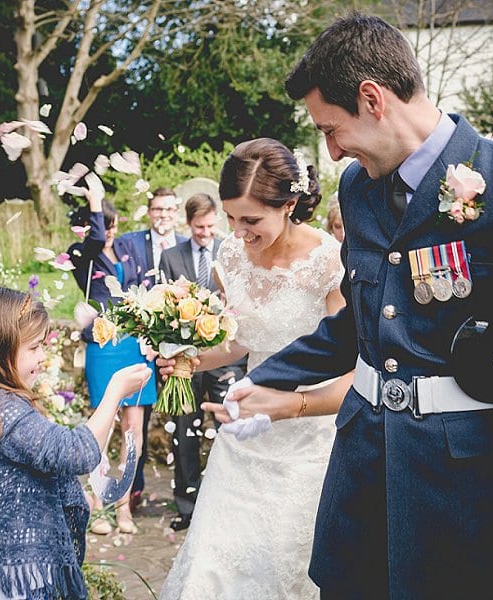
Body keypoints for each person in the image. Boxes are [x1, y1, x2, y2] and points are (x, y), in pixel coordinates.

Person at [228, 14, 493, 599]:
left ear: (372, 99)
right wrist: (263, 379)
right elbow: (361, 321)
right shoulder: (358, 188)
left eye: (331, 130)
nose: (330, 153)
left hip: (464, 499)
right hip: (362, 487)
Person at [159, 138, 353, 600]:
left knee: (286, 569)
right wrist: (188, 360)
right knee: (215, 566)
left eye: (250, 220)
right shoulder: (229, 256)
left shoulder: (329, 260)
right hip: (244, 436)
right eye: (230, 217)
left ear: (289, 204)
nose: (238, 232)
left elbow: (351, 369)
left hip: (310, 441)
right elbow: (243, 340)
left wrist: (289, 407)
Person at [0, 284, 152, 600]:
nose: (43, 358)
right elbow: (76, 452)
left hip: (3, 575)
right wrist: (115, 392)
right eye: (34, 349)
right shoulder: (2, 410)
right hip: (8, 581)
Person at [68, 190, 157, 534]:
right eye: (103, 226)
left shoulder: (128, 249)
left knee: (133, 430)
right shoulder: (80, 254)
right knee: (103, 430)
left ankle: (123, 508)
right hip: (103, 345)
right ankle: (99, 505)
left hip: (134, 344)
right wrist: (95, 201)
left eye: (113, 224)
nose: (110, 233)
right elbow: (94, 240)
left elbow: (142, 291)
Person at [156, 193, 246, 531]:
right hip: (183, 361)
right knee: (184, 432)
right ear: (188, 223)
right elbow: (161, 307)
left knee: (230, 430)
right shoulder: (170, 256)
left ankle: (229, 503)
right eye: (199, 227)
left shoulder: (230, 251)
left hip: (225, 358)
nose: (205, 232)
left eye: (210, 226)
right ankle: (187, 506)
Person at [119, 188, 186, 511]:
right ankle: (133, 490)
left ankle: (184, 493)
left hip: (178, 344)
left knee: (183, 416)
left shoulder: (186, 245)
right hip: (139, 345)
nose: (163, 215)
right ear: (149, 212)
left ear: (177, 214)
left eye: (170, 210)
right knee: (137, 421)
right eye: (158, 209)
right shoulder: (131, 243)